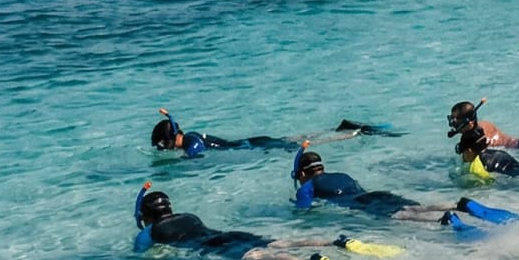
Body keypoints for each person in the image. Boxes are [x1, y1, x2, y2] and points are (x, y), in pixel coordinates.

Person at [132, 183, 391, 260]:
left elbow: (143, 257)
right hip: (227, 233)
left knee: (257, 256)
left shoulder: (149, 232)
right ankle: (336, 242)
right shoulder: (189, 215)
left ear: (147, 215)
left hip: (209, 247)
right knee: (277, 242)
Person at [292, 146, 518, 230]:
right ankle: (461, 204)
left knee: (402, 215)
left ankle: (444, 220)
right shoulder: (342, 174)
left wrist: (297, 209)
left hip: (359, 204)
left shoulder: (307, 187)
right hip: (374, 195)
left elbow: (305, 210)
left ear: (303, 174)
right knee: (413, 206)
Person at [151, 109, 390, 158]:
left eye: (164, 145)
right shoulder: (192, 134)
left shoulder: (191, 143)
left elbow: (195, 157)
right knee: (293, 138)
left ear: (170, 139)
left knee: (301, 144)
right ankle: (342, 128)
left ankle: (353, 134)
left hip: (252, 147)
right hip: (252, 141)